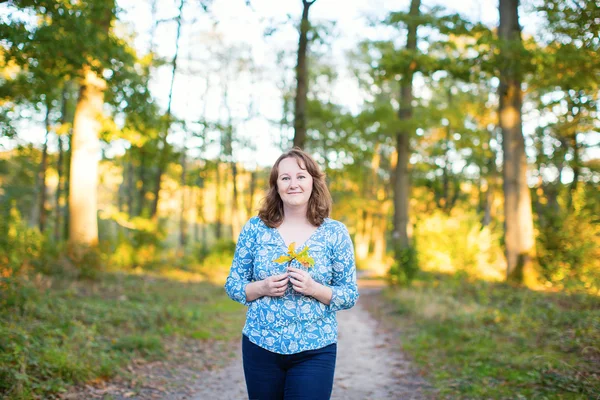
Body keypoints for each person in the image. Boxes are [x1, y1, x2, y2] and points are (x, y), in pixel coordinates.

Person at [224, 147, 359, 400]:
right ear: (276, 185)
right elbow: (233, 284)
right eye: (285, 178)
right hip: (260, 345)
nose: (293, 184)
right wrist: (261, 287)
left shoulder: (335, 233)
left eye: (301, 176)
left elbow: (349, 294)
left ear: (313, 182)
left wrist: (314, 289)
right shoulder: (255, 229)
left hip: (315, 349)